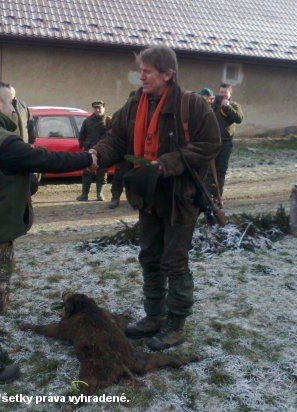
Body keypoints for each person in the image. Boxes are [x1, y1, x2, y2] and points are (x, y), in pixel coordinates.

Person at [0, 78, 96, 384]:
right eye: (13, 101)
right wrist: (87, 157)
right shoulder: (3, 141)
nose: (16, 106)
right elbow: (47, 159)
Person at [90, 45, 220, 351]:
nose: (141, 76)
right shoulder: (135, 103)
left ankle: (176, 325)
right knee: (149, 257)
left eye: (147, 71)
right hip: (146, 195)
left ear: (167, 74)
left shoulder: (192, 105)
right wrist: (96, 153)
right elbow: (116, 138)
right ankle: (154, 317)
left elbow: (210, 144)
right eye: (141, 70)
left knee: (174, 262)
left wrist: (165, 164)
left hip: (179, 198)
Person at [204, 84, 244, 197]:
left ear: (230, 94)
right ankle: (206, 197)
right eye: (221, 92)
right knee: (209, 171)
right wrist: (207, 103)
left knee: (221, 170)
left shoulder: (234, 105)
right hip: (211, 142)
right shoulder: (213, 104)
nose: (222, 94)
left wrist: (227, 107)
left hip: (225, 142)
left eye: (225, 92)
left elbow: (239, 118)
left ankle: (217, 196)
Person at [76, 101, 112, 201]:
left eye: (99, 108)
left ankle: (100, 194)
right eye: (95, 108)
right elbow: (82, 134)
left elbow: (112, 132)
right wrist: (82, 145)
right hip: (89, 150)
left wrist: (104, 140)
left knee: (102, 172)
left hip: (103, 150)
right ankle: (84, 194)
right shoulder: (87, 120)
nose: (97, 110)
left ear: (104, 108)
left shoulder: (109, 120)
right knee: (87, 172)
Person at [107, 91, 136, 209]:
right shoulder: (120, 113)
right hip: (123, 151)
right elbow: (110, 132)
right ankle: (115, 198)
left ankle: (135, 199)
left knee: (136, 176)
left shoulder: (144, 113)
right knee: (119, 175)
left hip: (138, 152)